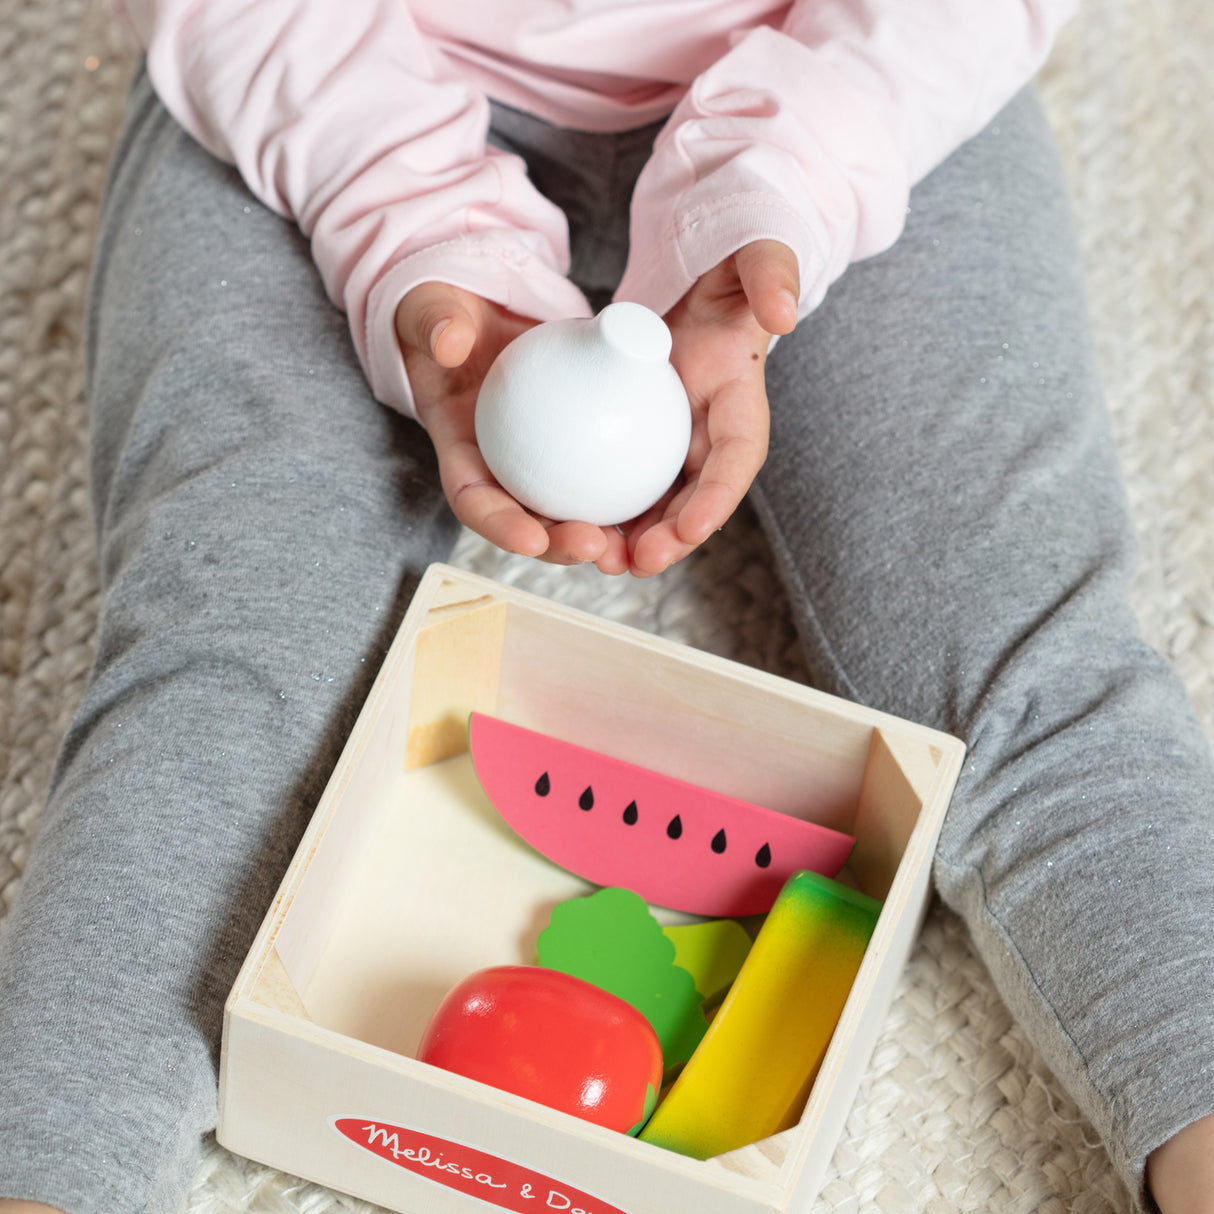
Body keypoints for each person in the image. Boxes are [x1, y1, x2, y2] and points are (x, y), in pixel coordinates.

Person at [1, 2, 1212, 1212]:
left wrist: (787, 176)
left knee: (1036, 675)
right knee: (224, 657)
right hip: (315, 68)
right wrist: (401, 214)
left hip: (859, 70)